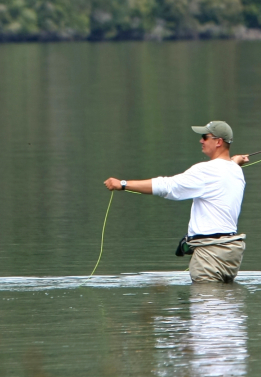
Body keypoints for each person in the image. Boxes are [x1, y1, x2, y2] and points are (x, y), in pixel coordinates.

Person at [104, 120, 251, 283]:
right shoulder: (236, 171)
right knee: (227, 305)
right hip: (232, 253)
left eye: (205, 137)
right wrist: (235, 161)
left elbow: (167, 186)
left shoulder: (205, 170)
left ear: (218, 142)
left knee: (206, 304)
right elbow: (229, 164)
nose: (201, 141)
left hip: (210, 254)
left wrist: (123, 184)